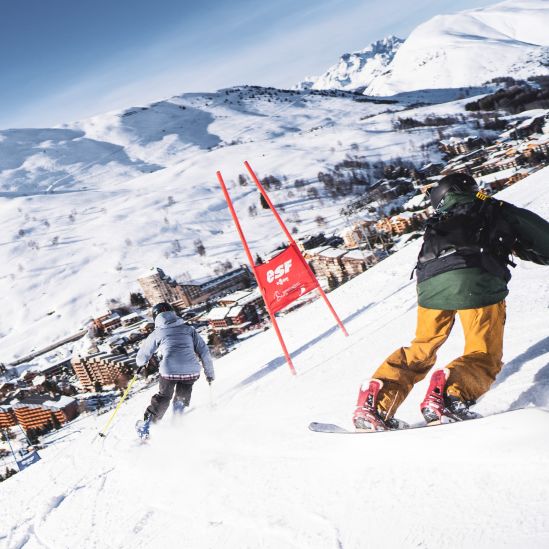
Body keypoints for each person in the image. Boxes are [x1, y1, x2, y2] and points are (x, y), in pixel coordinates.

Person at [353, 172, 549, 431]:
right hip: (475, 278)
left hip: (430, 285)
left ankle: (375, 403)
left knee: (422, 348)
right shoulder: (491, 207)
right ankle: (448, 396)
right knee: (483, 353)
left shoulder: (440, 219)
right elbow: (542, 238)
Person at [135, 302, 215, 439]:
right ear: (173, 313)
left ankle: (147, 426)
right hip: (191, 370)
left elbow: (142, 356)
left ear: (156, 317)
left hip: (169, 370)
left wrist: (142, 364)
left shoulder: (158, 332)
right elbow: (204, 352)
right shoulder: (189, 330)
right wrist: (210, 374)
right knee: (182, 394)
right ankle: (178, 420)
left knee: (164, 396)